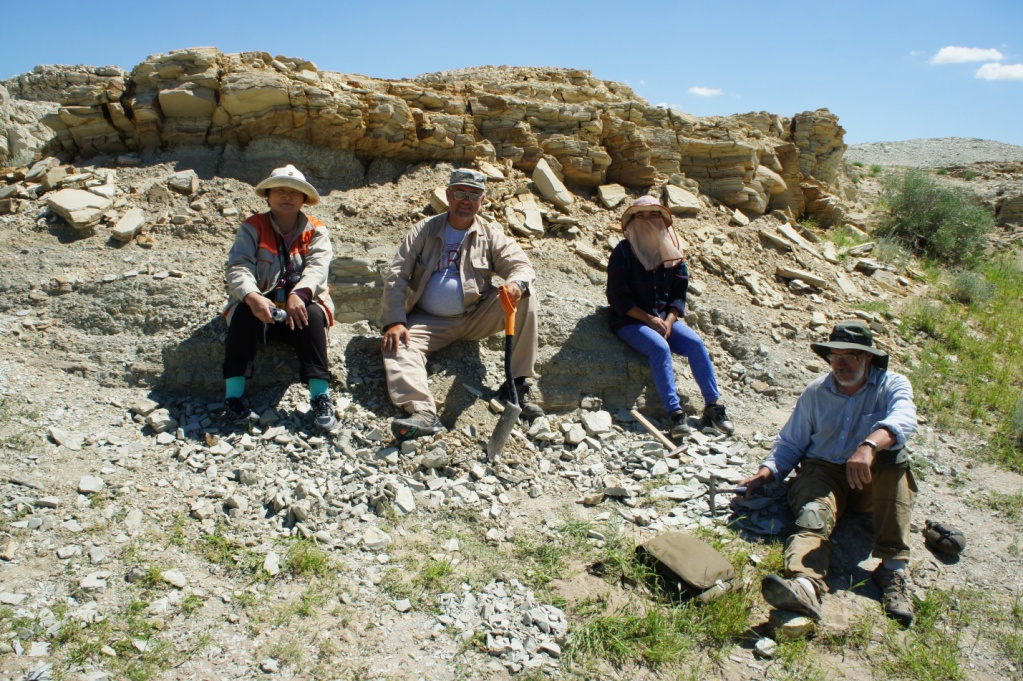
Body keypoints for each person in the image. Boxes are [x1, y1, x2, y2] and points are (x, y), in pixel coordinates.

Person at [741, 320, 919, 626]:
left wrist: (868, 446)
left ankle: (892, 567)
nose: (841, 364)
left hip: (869, 477)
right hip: (823, 472)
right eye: (836, 356)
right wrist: (765, 474)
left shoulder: (892, 384)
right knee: (813, 515)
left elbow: (905, 419)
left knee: (895, 458)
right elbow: (791, 442)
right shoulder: (816, 392)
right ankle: (806, 585)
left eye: (850, 356)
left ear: (868, 359)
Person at [380, 168, 542, 440]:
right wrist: (395, 320)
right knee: (395, 344)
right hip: (427, 322)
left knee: (527, 295)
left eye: (473, 195)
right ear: (448, 195)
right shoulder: (424, 230)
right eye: (460, 193)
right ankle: (423, 413)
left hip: (475, 315)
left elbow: (520, 265)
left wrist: (517, 283)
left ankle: (516, 384)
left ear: (482, 200)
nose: (466, 200)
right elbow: (397, 275)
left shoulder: (490, 234)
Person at [221, 164, 338, 432]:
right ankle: (232, 399)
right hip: (264, 310)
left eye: (294, 192)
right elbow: (238, 266)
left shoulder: (316, 230)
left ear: (303, 199)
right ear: (269, 195)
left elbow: (318, 268)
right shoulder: (252, 227)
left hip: (297, 310)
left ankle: (320, 397)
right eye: (281, 190)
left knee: (314, 314)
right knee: (243, 313)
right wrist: (252, 297)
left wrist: (301, 292)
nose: (288, 196)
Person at [606, 195, 733, 438]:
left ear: (663, 220)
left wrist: (668, 320)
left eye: (653, 215)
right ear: (631, 221)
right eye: (640, 216)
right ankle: (675, 414)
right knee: (660, 348)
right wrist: (649, 319)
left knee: (695, 344)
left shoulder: (671, 252)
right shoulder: (623, 251)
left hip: (664, 319)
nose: (647, 220)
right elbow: (618, 297)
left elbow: (678, 294)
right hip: (630, 319)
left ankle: (713, 406)